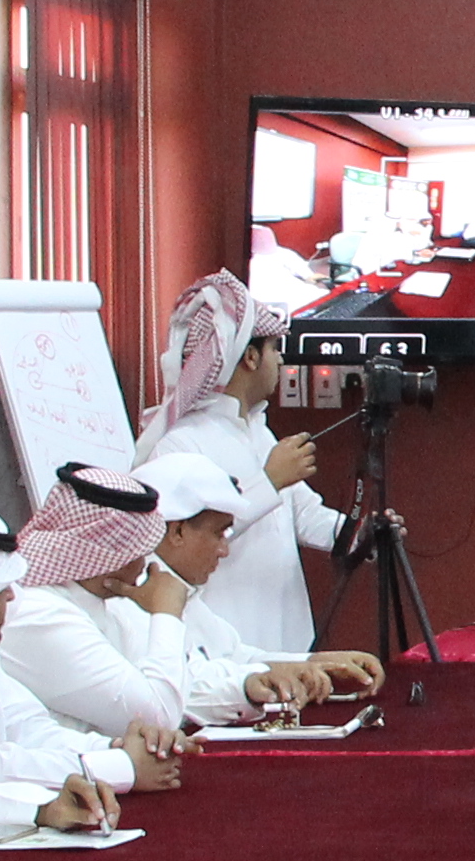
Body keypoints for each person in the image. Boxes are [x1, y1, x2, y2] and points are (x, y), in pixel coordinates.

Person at [0, 498, 163, 819]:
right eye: (0, 586)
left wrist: (115, 750)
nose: (11, 595)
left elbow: (29, 727)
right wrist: (120, 766)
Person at [131, 269, 347, 663]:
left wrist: (357, 532)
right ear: (250, 356)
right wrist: (268, 480)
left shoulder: (257, 431)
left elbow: (301, 514)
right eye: (275, 350)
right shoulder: (181, 443)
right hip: (227, 647)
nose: (281, 361)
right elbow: (179, 540)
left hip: (288, 634)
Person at [117, 452, 360, 719]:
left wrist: (313, 663)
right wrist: (249, 685)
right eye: (218, 533)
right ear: (177, 532)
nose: (224, 550)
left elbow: (232, 654)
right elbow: (179, 691)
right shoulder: (130, 592)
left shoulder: (179, 587)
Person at [0, 463, 215, 737]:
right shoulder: (40, 614)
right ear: (106, 555)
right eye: (139, 552)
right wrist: (167, 613)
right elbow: (158, 717)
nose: (145, 564)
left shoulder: (108, 604)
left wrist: (243, 686)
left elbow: (181, 688)